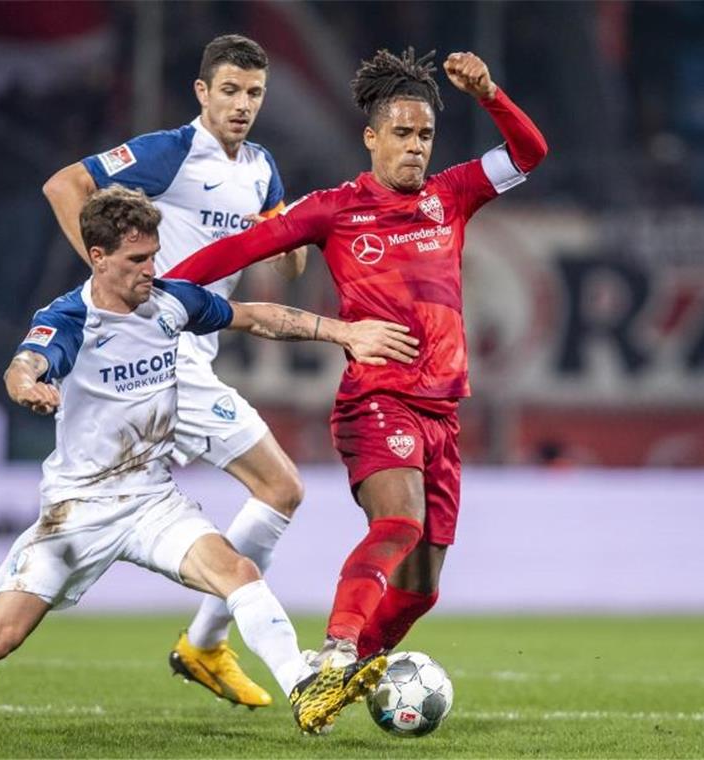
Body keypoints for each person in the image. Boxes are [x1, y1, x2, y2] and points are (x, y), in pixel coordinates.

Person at [0, 186, 420, 737]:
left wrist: (343, 333)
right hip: (79, 512)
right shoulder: (71, 318)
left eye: (153, 255)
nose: (152, 270)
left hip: (152, 500)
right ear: (97, 258)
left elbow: (255, 316)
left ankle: (305, 692)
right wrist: (28, 385)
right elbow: (25, 364)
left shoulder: (170, 303)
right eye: (136, 260)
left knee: (238, 574)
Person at [165, 48, 548, 666]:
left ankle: (348, 672)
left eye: (425, 134)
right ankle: (339, 646)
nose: (416, 147)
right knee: (398, 524)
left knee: (421, 590)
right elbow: (241, 248)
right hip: (377, 400)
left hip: (442, 414)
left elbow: (529, 153)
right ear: (372, 138)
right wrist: (163, 288)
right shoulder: (334, 210)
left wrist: (490, 93)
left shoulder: (452, 195)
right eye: (402, 133)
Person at [11, 32, 307, 714]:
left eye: (253, 93)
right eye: (228, 90)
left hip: (193, 351)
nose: (240, 104)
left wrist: (289, 235)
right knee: (280, 487)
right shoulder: (173, 151)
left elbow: (286, 260)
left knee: (80, 519)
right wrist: (103, 272)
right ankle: (205, 644)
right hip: (163, 355)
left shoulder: (262, 169)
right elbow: (66, 184)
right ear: (202, 92)